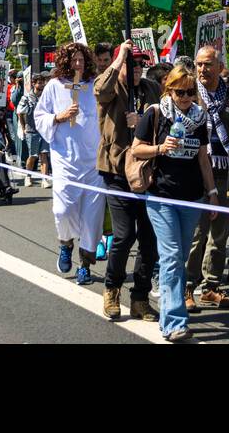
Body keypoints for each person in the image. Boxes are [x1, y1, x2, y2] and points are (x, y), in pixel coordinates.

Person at [130, 67, 220, 342]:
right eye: (179, 92)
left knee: (179, 258)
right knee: (170, 258)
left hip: (192, 197)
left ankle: (173, 308)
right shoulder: (155, 113)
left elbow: (203, 159)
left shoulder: (200, 117)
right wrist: (160, 148)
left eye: (190, 92)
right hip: (162, 197)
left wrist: (213, 192)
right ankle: (173, 323)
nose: (185, 98)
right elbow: (136, 149)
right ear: (169, 90)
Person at [94, 41, 159, 321]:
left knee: (148, 238)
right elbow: (100, 90)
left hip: (146, 173)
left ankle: (141, 297)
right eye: (132, 65)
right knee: (124, 235)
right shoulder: (113, 87)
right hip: (117, 172)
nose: (136, 70)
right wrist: (119, 58)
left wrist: (142, 120)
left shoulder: (150, 89)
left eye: (140, 65)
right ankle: (112, 288)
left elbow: (163, 117)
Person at [35, 42, 106, 286]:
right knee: (62, 211)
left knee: (92, 218)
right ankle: (65, 243)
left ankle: (85, 264)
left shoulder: (93, 86)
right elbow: (39, 116)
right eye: (74, 60)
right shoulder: (54, 87)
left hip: (93, 165)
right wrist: (58, 117)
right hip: (66, 161)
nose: (78, 64)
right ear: (65, 62)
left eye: (82, 60)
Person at [186, 45, 229, 310]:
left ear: (220, 67)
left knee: (220, 234)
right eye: (199, 64)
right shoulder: (189, 92)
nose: (202, 69)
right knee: (198, 233)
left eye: (208, 64)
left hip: (225, 170)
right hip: (198, 169)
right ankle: (188, 286)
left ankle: (211, 286)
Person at [18, 72, 52, 188]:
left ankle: (45, 178)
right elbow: (20, 113)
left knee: (44, 155)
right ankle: (28, 176)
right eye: (39, 83)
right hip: (31, 131)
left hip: (44, 131)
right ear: (34, 83)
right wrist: (23, 128)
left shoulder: (46, 96)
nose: (42, 85)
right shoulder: (26, 97)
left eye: (43, 82)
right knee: (33, 156)